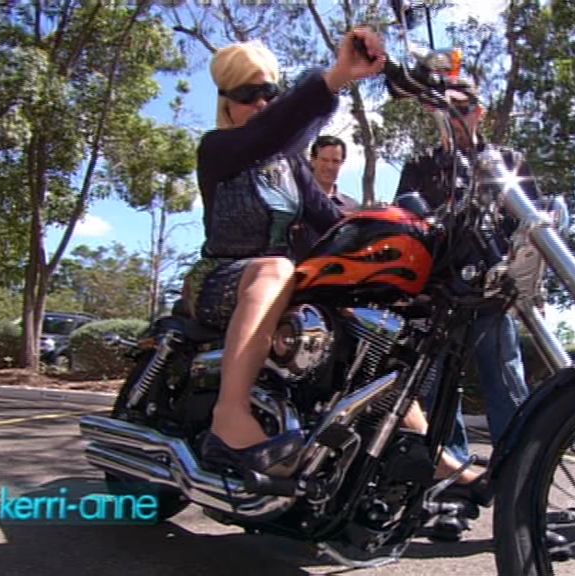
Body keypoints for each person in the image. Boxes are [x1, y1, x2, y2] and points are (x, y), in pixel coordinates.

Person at [192, 30, 387, 474]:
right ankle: (229, 416)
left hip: (281, 286)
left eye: (269, 93)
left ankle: (428, 453)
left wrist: (391, 239)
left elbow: (333, 223)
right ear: (226, 102)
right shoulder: (218, 149)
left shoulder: (291, 164)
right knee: (276, 268)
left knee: (369, 325)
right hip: (218, 279)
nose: (261, 104)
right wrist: (337, 77)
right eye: (247, 95)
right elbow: (268, 134)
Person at [395, 79, 535, 540]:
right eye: (445, 107)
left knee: (508, 390)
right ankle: (450, 496)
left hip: (492, 294)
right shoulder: (420, 165)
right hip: (438, 297)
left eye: (464, 106)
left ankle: (523, 499)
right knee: (439, 398)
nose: (454, 115)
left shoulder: (507, 161)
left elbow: (529, 223)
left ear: (480, 111)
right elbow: (406, 222)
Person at [309, 135, 359, 211]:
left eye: (335, 161)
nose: (330, 167)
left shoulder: (351, 207)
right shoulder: (297, 200)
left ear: (342, 163)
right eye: (324, 160)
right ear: (313, 160)